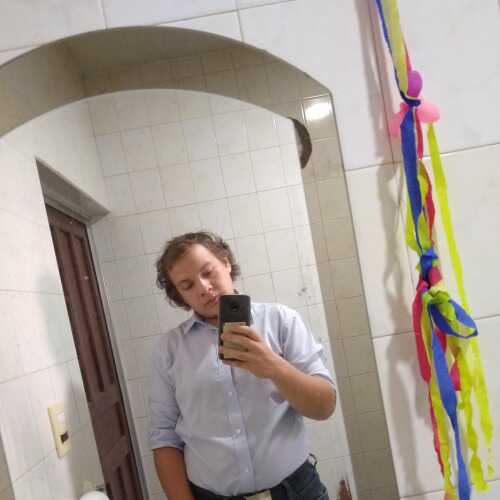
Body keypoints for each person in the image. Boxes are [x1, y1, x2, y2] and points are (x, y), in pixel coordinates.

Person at [150, 231, 336, 500]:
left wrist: (273, 366)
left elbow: (324, 406)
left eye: (208, 272)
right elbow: (164, 436)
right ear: (179, 295)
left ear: (226, 262)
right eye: (187, 285)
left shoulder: (280, 321)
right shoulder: (169, 350)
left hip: (296, 491)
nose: (203, 288)